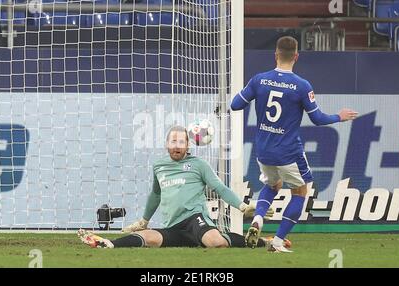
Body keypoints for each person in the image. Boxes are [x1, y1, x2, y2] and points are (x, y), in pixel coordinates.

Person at [230, 36, 358, 253]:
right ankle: (278, 241)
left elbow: (235, 105)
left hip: (263, 151)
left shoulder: (259, 80)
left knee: (273, 185)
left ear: (276, 55)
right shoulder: (301, 85)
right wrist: (339, 116)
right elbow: (317, 119)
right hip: (288, 152)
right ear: (296, 56)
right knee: (300, 192)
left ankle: (258, 219)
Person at [78, 125, 289, 249]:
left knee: (216, 243)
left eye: (181, 142)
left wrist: (242, 207)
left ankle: (263, 242)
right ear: (166, 144)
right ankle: (109, 243)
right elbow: (155, 194)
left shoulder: (199, 165)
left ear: (188, 145)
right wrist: (144, 220)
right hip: (172, 225)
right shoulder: (159, 165)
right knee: (150, 237)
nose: (177, 146)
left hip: (193, 219)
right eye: (173, 142)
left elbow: (220, 188)